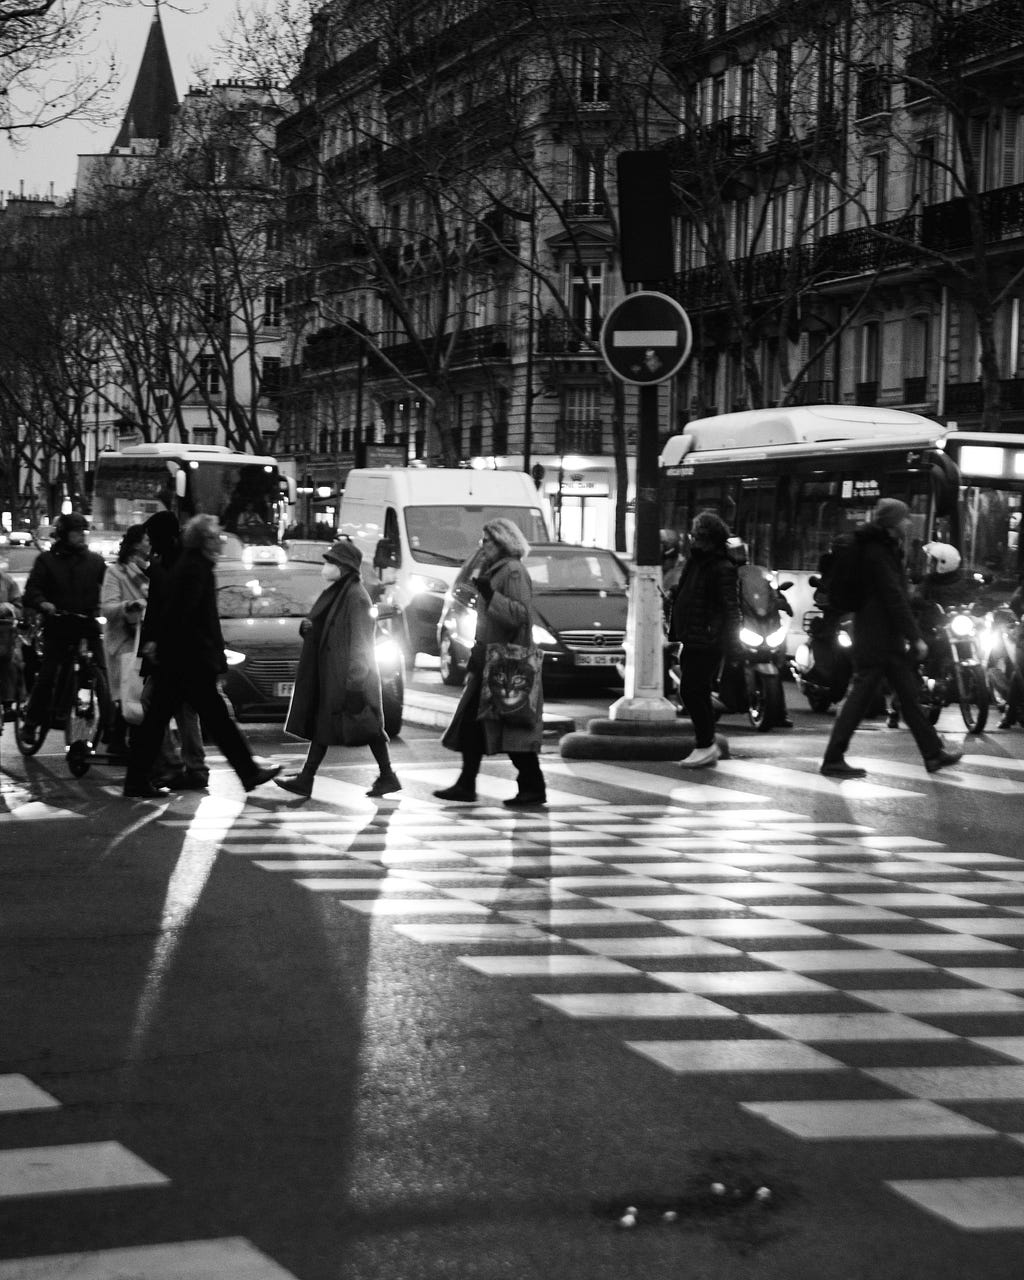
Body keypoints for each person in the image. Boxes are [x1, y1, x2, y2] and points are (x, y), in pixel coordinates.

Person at [123, 514, 282, 798]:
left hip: (180, 659)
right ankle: (245, 772)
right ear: (203, 540)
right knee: (212, 719)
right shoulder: (196, 568)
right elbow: (183, 613)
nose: (219, 541)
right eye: (214, 536)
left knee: (165, 720)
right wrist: (191, 651)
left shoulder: (193, 565)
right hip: (188, 660)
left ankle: (138, 779)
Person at [820, 498, 962, 778]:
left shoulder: (885, 548)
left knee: (908, 697)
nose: (909, 523)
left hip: (882, 637)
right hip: (877, 638)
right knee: (861, 698)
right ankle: (833, 758)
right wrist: (915, 636)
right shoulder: (877, 552)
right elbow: (893, 597)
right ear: (893, 522)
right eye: (905, 518)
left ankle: (933, 753)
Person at [434, 517, 546, 807]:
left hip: (506, 661)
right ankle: (466, 783)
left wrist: (490, 594)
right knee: (473, 724)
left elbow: (520, 614)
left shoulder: (513, 571)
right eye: (481, 541)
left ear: (503, 542)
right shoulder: (495, 568)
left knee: (511, 724)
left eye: (487, 541)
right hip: (487, 657)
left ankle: (532, 785)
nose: (482, 547)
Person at [275, 539, 400, 799]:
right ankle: (308, 778)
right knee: (330, 725)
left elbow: (361, 643)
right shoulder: (339, 593)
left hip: (350, 677)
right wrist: (309, 628)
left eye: (330, 561)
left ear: (343, 567)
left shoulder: (356, 598)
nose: (325, 566)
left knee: (368, 727)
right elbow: (327, 627)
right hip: (335, 676)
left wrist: (355, 684)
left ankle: (386, 775)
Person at [19, 511, 108, 748]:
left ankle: (112, 728)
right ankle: (31, 723)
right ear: (64, 535)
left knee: (103, 671)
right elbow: (32, 590)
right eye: (76, 532)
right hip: (58, 625)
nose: (81, 536)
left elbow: (109, 589)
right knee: (48, 674)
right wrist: (43, 603)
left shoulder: (96, 562)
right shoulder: (47, 561)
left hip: (87, 624)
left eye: (83, 532)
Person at [141, 511, 210, 791]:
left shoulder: (171, 563)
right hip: (184, 647)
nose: (149, 543)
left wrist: (156, 642)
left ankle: (176, 765)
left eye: (151, 537)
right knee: (185, 709)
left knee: (155, 702)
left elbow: (166, 608)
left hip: (173, 648)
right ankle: (192, 766)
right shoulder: (180, 559)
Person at [669, 510, 741, 769]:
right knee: (691, 690)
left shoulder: (722, 567)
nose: (693, 540)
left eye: (697, 536)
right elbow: (688, 592)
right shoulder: (696, 562)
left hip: (708, 640)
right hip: (693, 636)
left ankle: (706, 744)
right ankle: (705, 744)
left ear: (709, 539)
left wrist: (730, 643)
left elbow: (731, 608)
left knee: (692, 690)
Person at [100, 524, 150, 758]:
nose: (150, 544)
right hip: (124, 639)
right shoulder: (116, 572)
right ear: (136, 543)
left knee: (138, 691)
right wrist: (128, 606)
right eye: (146, 539)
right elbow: (107, 607)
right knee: (128, 690)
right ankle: (120, 740)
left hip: (146, 639)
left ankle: (124, 740)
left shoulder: (152, 570)